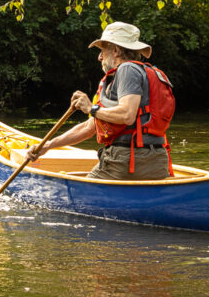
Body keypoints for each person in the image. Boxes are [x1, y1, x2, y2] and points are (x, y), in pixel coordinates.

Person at [27, 21, 175, 180]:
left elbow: (127, 114)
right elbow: (88, 127)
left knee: (80, 196)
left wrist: (91, 108)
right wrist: (48, 146)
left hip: (126, 161)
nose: (99, 57)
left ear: (116, 50)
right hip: (158, 161)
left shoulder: (127, 69)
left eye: (103, 51)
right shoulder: (141, 73)